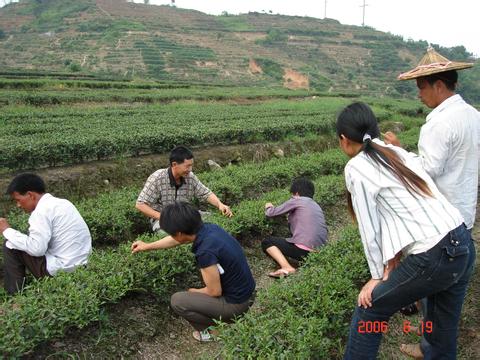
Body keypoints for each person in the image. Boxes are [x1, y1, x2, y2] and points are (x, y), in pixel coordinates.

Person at [336, 103, 475, 360]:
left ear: (344, 139)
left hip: (435, 253)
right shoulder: (395, 152)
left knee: (369, 310)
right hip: (462, 242)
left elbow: (370, 228)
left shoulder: (356, 167)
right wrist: (393, 260)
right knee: (442, 330)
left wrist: (377, 275)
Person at [385, 46, 479, 235]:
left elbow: (427, 172)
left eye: (422, 87)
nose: (419, 94)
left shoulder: (438, 123)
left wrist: (398, 152)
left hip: (444, 219)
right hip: (466, 212)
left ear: (438, 86)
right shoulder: (474, 115)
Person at [131, 201, 255, 342]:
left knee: (179, 300)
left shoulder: (205, 252)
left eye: (171, 233)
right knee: (192, 295)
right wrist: (147, 246)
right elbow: (177, 240)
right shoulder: (209, 229)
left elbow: (214, 292)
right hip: (248, 292)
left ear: (179, 233)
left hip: (237, 304)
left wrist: (194, 291)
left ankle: (211, 332)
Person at [0, 173, 92, 295]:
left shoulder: (40, 212)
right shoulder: (63, 203)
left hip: (64, 270)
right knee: (20, 240)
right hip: (83, 265)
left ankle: (15, 296)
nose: (18, 205)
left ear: (30, 195)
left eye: (18, 200)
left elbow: (37, 249)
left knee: (10, 244)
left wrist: (6, 230)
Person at [136, 146, 233, 234]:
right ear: (174, 164)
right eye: (187, 166)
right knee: (169, 235)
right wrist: (163, 217)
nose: (190, 169)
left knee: (216, 220)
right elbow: (140, 204)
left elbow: (205, 193)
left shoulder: (190, 177)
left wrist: (220, 204)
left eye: (191, 165)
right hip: (162, 219)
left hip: (185, 215)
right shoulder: (157, 178)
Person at [262, 177, 328, 278]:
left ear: (296, 193)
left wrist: (268, 206)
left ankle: (287, 267)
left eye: (292, 195)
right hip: (319, 252)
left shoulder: (297, 200)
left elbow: (271, 213)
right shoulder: (316, 205)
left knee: (267, 242)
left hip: (304, 251)